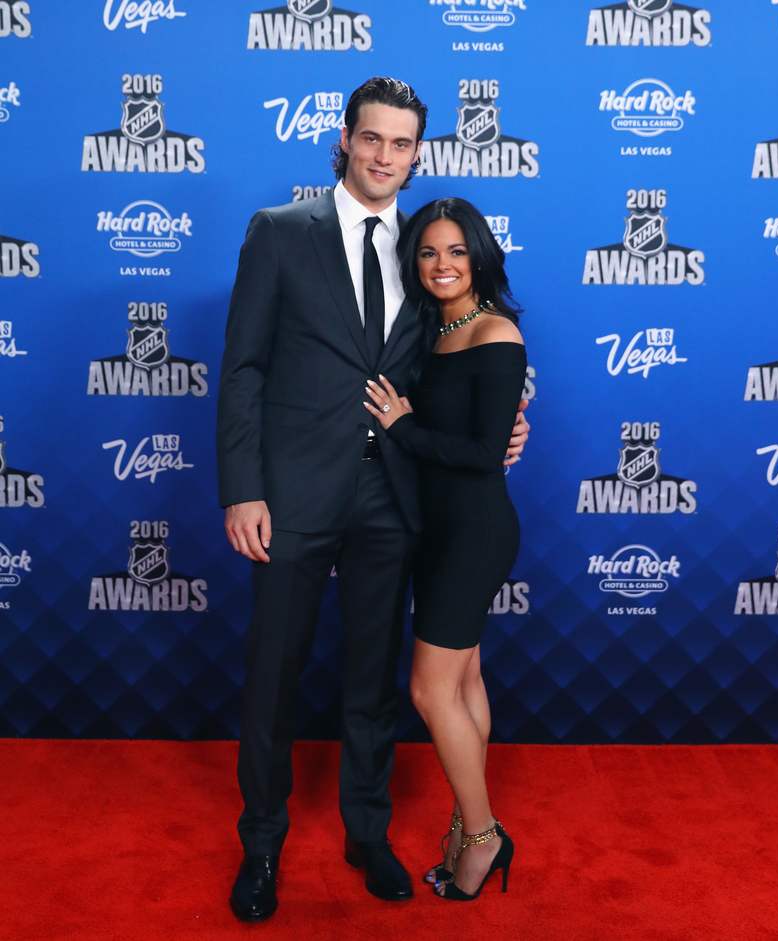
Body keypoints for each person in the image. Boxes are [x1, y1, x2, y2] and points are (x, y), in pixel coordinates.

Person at [216, 77, 530, 921]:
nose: (385, 157)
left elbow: (454, 369)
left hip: (394, 497)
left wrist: (507, 424)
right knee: (273, 674)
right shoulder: (281, 233)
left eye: (402, 145)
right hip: (292, 495)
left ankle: (367, 831)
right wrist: (242, 488)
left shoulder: (424, 248)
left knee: (373, 680)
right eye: (372, 139)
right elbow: (243, 368)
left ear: (417, 152)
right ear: (345, 138)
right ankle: (263, 843)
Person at [363, 197, 526, 901]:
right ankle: (463, 828)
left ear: (480, 255)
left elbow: (488, 451)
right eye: (428, 252)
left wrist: (400, 426)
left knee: (431, 689)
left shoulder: (496, 332)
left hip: (476, 530)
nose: (441, 265)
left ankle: (485, 836)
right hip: (436, 528)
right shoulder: (431, 330)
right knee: (462, 683)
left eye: (456, 251)